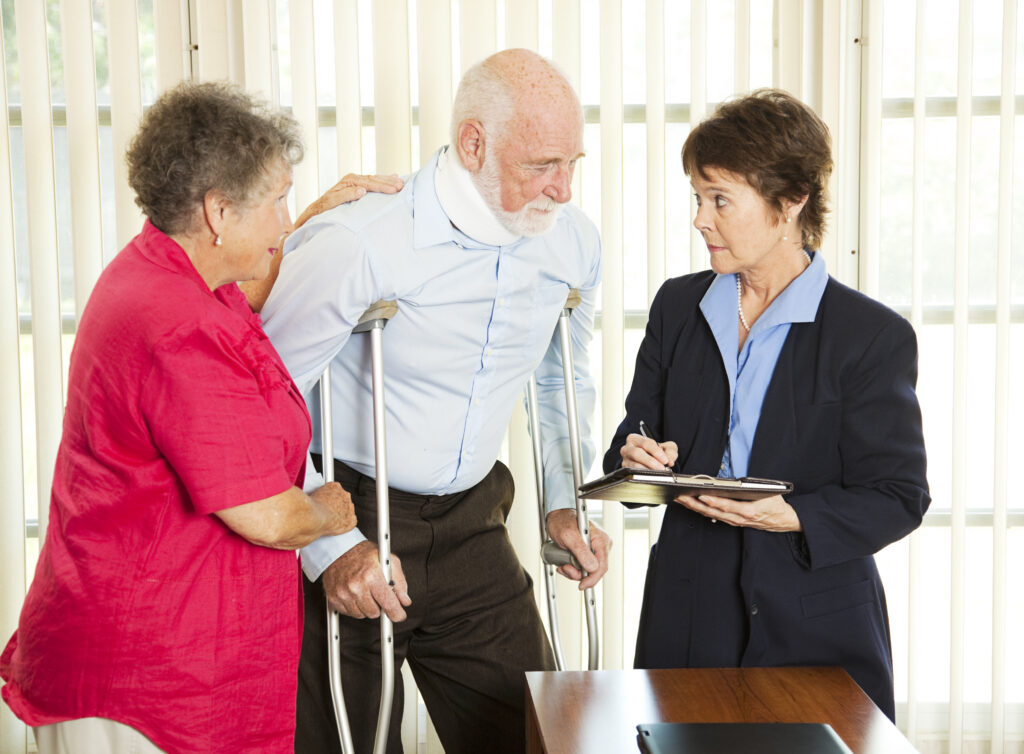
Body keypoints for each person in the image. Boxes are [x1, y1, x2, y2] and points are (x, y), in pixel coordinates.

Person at [0, 81, 401, 754]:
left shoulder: (174, 270)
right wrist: (334, 512)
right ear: (219, 211)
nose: (284, 217)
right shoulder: (174, 325)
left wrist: (299, 233)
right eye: (277, 201)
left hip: (160, 655)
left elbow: (246, 289)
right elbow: (269, 517)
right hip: (147, 679)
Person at [259, 48, 612, 753]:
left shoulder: (570, 244)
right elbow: (261, 399)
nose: (563, 188)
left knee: (534, 737)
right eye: (542, 164)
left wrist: (565, 500)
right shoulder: (358, 241)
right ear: (474, 143)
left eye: (573, 161)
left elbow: (560, 382)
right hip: (353, 508)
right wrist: (330, 547)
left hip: (474, 520)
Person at [605, 89, 929, 721]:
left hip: (815, 622)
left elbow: (898, 495)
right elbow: (636, 429)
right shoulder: (678, 306)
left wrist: (793, 517)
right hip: (687, 611)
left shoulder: (870, 336)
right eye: (698, 198)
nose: (701, 218)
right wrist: (640, 453)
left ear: (790, 204)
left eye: (720, 199)